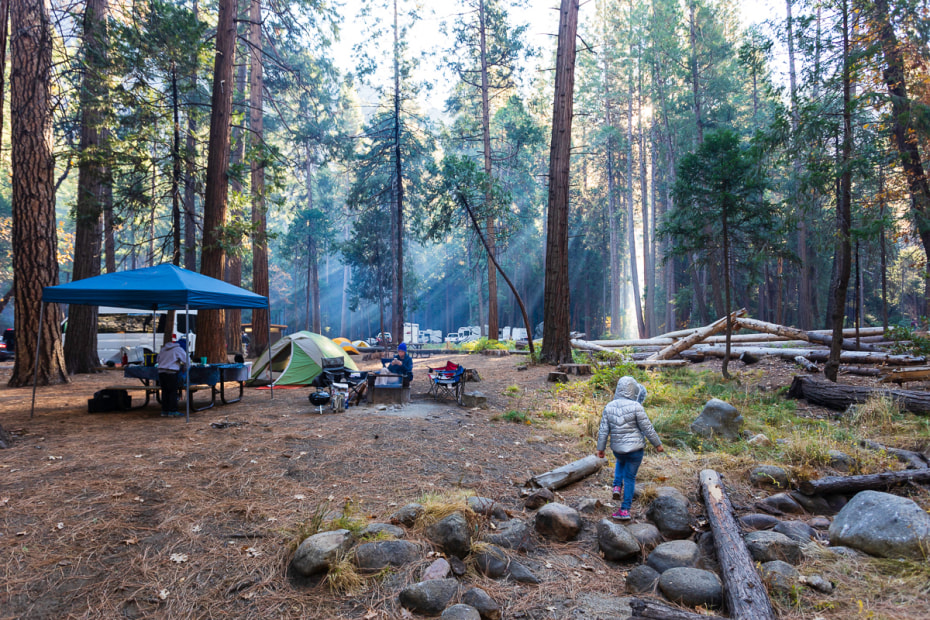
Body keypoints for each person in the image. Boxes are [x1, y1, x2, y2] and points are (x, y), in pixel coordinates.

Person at [596, 376, 663, 520]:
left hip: (618, 449)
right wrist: (657, 444)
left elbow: (603, 430)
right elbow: (647, 428)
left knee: (620, 462)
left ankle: (616, 487)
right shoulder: (636, 406)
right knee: (630, 478)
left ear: (618, 389)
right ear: (634, 390)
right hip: (635, 450)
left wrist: (600, 448)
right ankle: (625, 510)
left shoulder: (609, 406)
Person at [156, 339, 187, 417]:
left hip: (161, 372)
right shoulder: (179, 349)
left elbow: (157, 359)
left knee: (165, 391)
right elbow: (187, 360)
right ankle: (173, 411)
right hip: (171, 372)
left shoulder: (163, 349)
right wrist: (185, 368)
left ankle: (164, 410)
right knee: (172, 391)